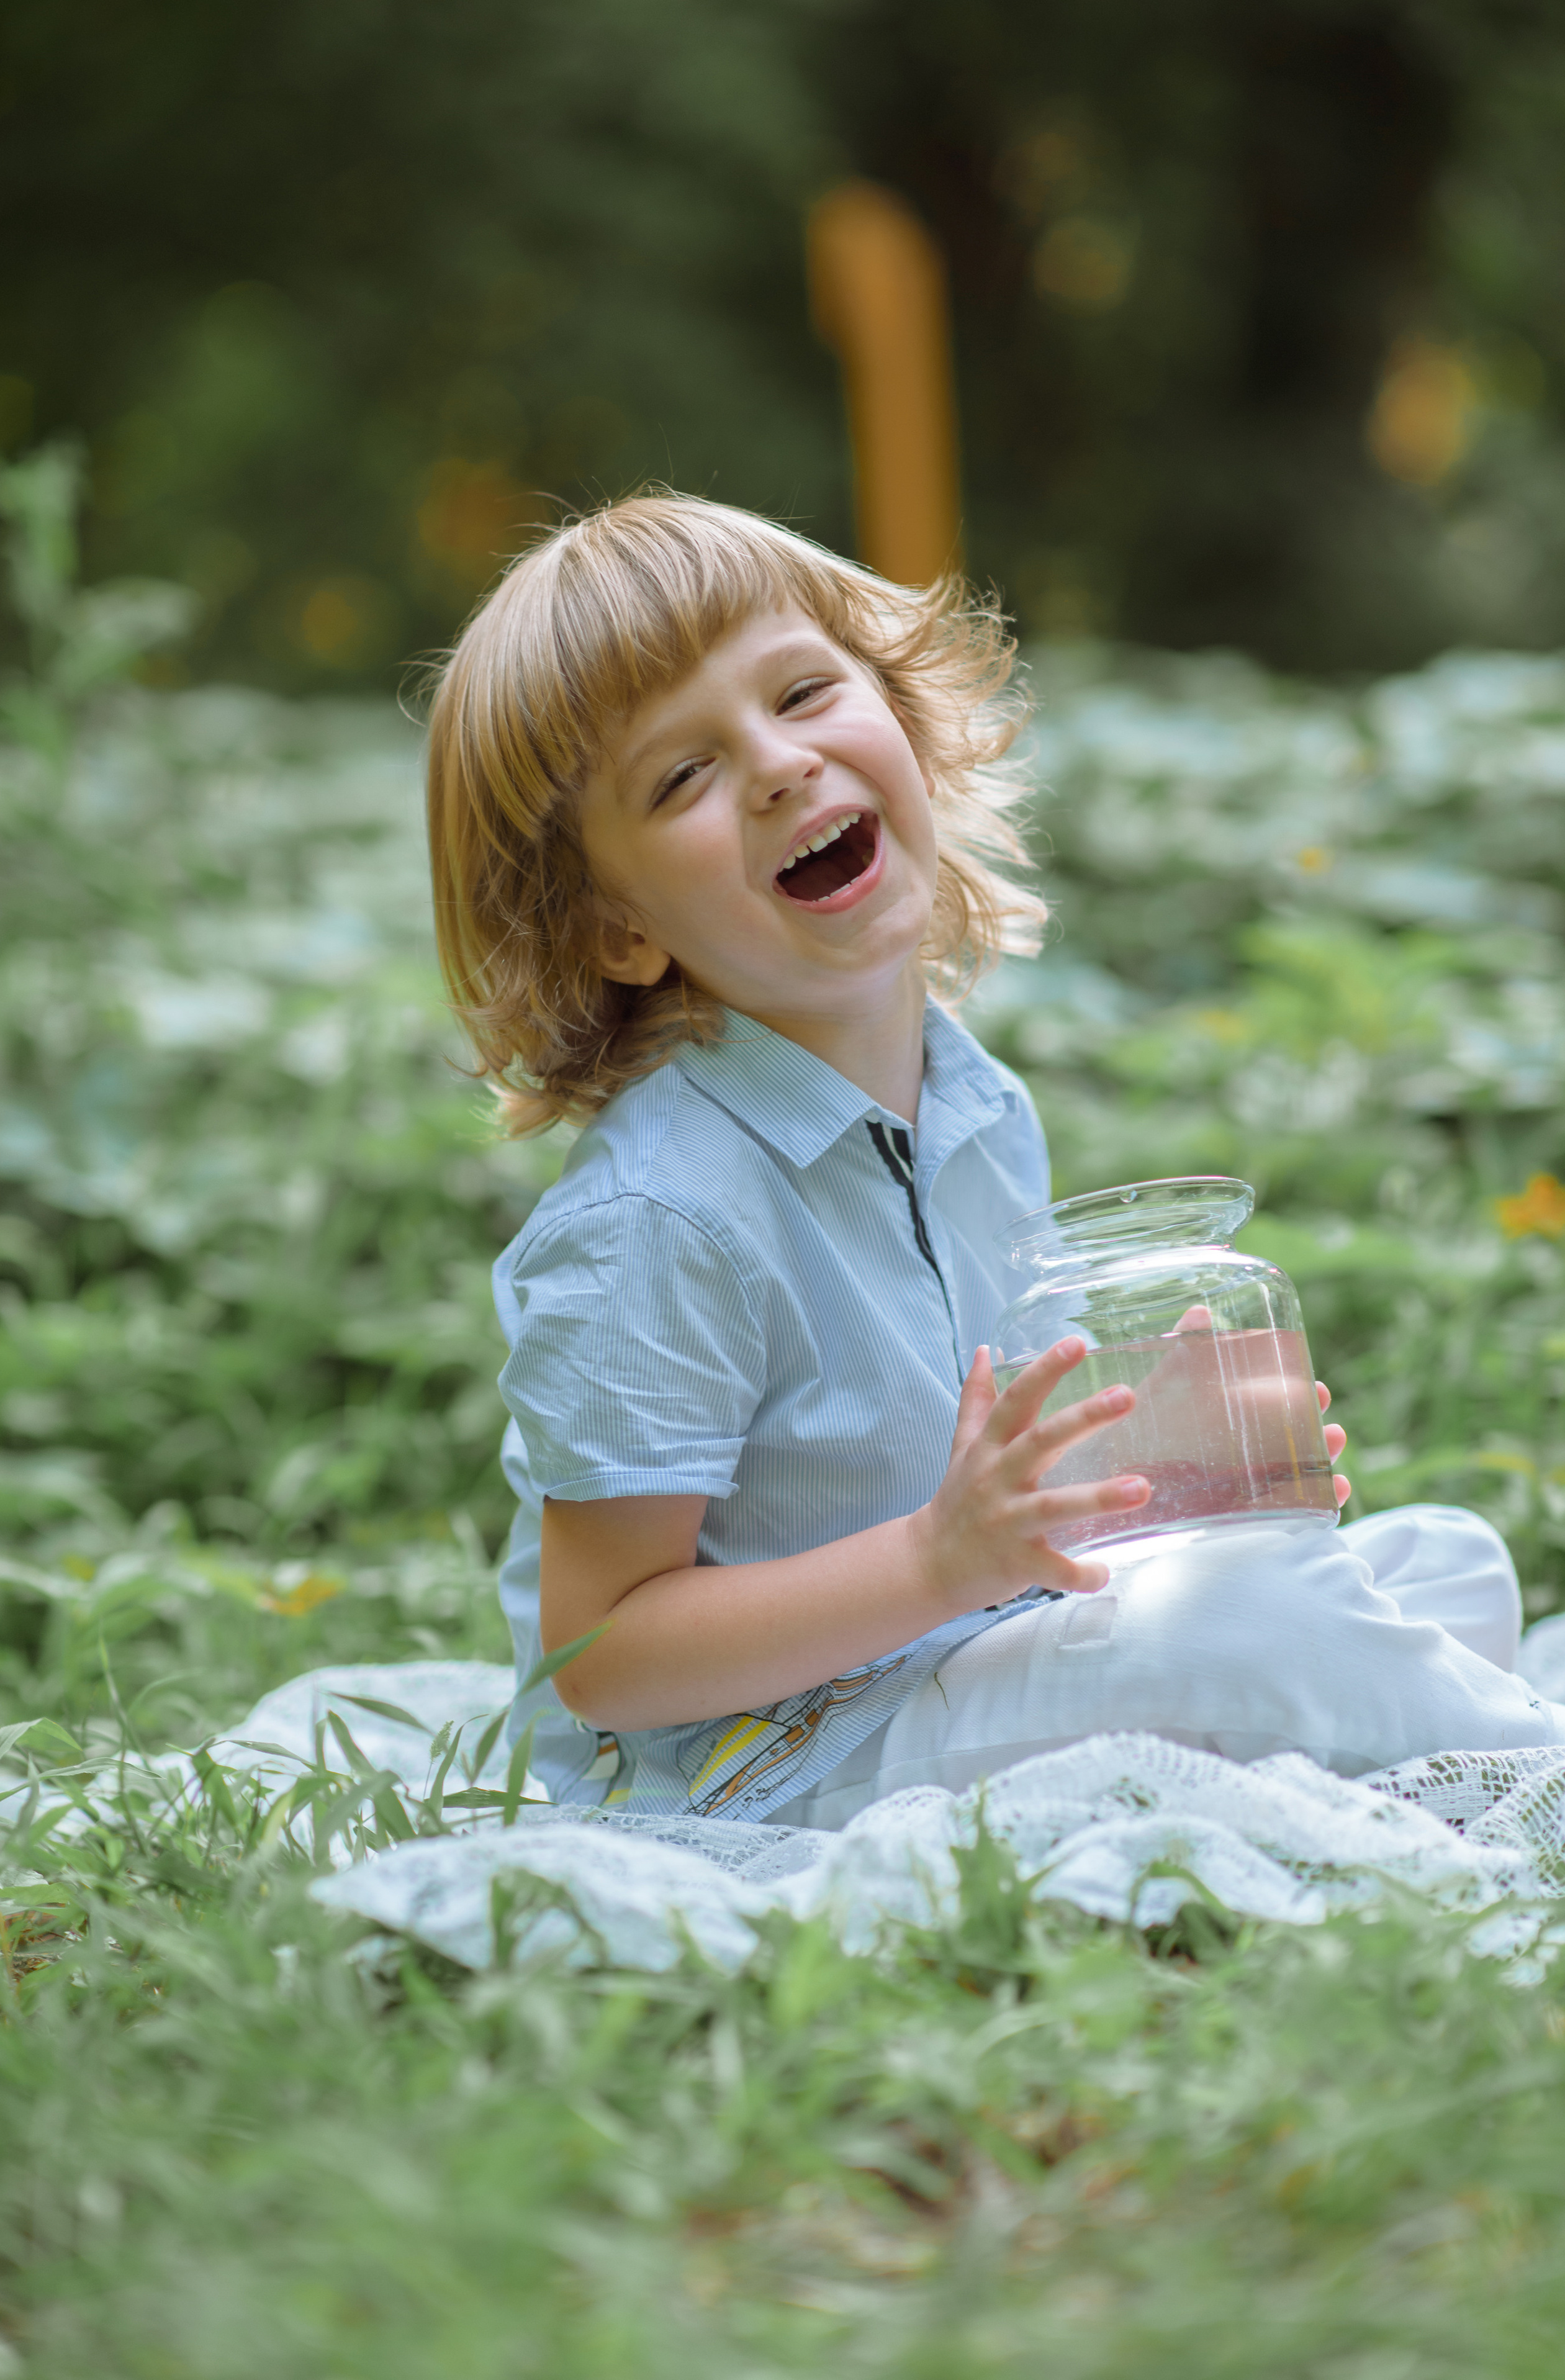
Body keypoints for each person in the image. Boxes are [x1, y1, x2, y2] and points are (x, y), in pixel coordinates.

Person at [425, 494, 1563, 1829]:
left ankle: (1371, 1733)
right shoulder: (658, 1215)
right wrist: (935, 1561)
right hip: (765, 1761)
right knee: (1261, 1622)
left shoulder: (975, 1102)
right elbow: (602, 1656)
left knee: (1444, 1558)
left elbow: (980, 1467)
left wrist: (1146, 1463)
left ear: (902, 720)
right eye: (681, 776)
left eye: (802, 693)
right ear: (618, 930)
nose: (778, 764)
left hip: (955, 1646)